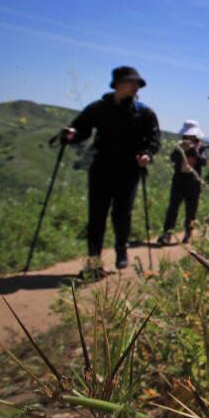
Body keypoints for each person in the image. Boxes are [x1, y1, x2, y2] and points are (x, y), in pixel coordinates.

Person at [63, 66, 161, 277]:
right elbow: (81, 129)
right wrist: (72, 134)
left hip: (129, 171)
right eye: (132, 83)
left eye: (137, 84)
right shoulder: (99, 108)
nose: (136, 87)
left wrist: (147, 154)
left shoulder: (145, 113)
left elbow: (154, 141)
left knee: (121, 214)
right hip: (101, 169)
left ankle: (121, 249)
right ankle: (94, 263)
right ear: (118, 85)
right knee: (96, 216)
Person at [158, 121, 207, 245]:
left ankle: (188, 233)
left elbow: (203, 162)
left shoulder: (201, 147)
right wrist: (181, 151)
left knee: (191, 210)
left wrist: (194, 151)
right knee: (172, 209)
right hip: (179, 182)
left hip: (193, 183)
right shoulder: (180, 146)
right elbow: (173, 158)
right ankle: (167, 234)